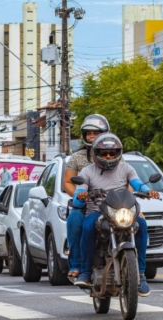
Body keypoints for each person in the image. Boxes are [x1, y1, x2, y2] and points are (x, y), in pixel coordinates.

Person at [72, 133, 160, 297]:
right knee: (88, 227)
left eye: (112, 153)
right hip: (98, 212)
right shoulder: (87, 171)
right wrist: (82, 195)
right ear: (95, 153)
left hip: (122, 211)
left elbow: (137, 184)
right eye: (104, 153)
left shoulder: (126, 168)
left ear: (118, 153)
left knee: (142, 225)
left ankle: (140, 274)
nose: (108, 156)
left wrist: (149, 191)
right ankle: (85, 272)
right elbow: (79, 192)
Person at [63, 114, 110, 278]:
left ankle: (136, 267)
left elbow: (127, 181)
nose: (92, 136)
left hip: (110, 203)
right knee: (74, 221)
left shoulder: (113, 153)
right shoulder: (77, 157)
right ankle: (77, 264)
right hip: (86, 204)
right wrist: (80, 194)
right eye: (88, 133)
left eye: (96, 133)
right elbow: (68, 182)